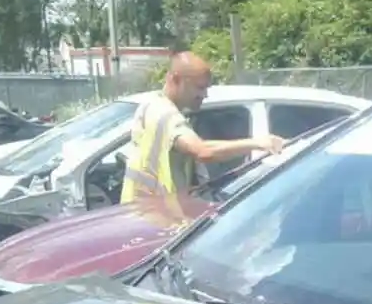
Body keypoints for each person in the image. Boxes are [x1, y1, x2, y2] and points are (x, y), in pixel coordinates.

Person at [120, 51, 284, 218]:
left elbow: (197, 148)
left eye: (206, 88)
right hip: (154, 217)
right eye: (199, 87)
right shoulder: (165, 114)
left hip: (145, 212)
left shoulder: (151, 105)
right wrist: (258, 143)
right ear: (175, 79)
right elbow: (203, 151)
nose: (204, 95)